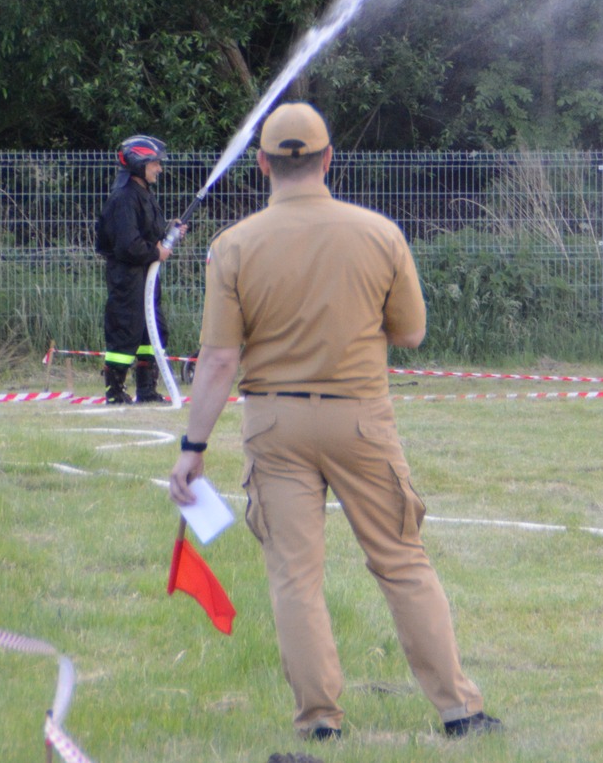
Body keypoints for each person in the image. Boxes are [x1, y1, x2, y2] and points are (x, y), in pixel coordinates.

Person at [166, 102, 500, 742]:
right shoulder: (379, 233)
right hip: (359, 419)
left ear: (262, 164)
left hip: (273, 426)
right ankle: (461, 712)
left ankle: (320, 722)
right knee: (402, 561)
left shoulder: (231, 246)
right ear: (329, 159)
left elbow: (217, 361)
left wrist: (192, 447)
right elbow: (412, 333)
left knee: (295, 576)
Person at [95, 134, 179, 404]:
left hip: (146, 276)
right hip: (127, 277)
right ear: (139, 163)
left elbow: (147, 232)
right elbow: (128, 245)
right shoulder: (124, 198)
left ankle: (146, 389)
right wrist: (157, 252)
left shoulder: (143, 194)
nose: (159, 169)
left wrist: (170, 232)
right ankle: (115, 391)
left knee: (152, 329)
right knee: (125, 329)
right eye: (155, 164)